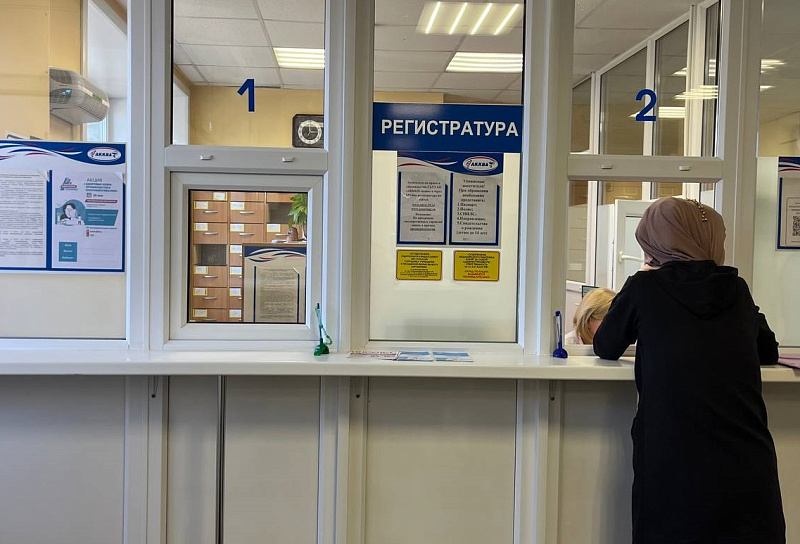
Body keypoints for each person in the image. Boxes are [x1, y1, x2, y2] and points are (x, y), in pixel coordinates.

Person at [593, 197, 785, 544]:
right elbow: (768, 351)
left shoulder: (644, 287)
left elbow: (606, 345)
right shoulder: (736, 289)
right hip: (745, 458)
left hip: (672, 459)